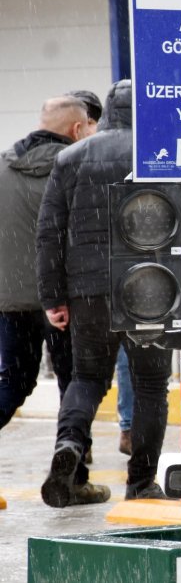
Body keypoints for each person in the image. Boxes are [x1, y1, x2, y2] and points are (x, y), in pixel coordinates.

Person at [36, 80, 172, 506]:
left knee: (87, 378)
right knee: (151, 385)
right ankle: (141, 482)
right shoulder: (160, 152)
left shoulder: (71, 156)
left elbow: (49, 232)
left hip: (88, 291)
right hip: (150, 288)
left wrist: (53, 297)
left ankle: (71, 446)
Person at [0, 96, 94, 431]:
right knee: (75, 384)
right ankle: (71, 471)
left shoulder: (3, 166)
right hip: (64, 300)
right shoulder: (78, 169)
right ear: (77, 128)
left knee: (13, 383)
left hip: (12, 302)